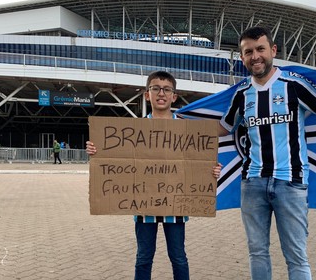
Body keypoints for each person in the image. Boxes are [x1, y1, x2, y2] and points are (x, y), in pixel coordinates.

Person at [216, 26, 316, 280]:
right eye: (248, 52)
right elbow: (222, 129)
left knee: (296, 257)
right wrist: (178, 127)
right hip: (252, 184)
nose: (255, 56)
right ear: (242, 57)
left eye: (260, 49)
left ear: (273, 50)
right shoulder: (241, 95)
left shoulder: (295, 85)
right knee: (257, 253)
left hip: (291, 183)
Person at [86, 71, 222, 280]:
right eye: (155, 88)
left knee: (178, 258)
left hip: (176, 207)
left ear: (174, 96)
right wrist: (97, 152)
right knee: (143, 258)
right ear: (147, 95)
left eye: (167, 89)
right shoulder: (134, 129)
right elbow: (117, 159)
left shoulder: (187, 129)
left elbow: (199, 162)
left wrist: (211, 171)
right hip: (143, 207)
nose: (161, 93)